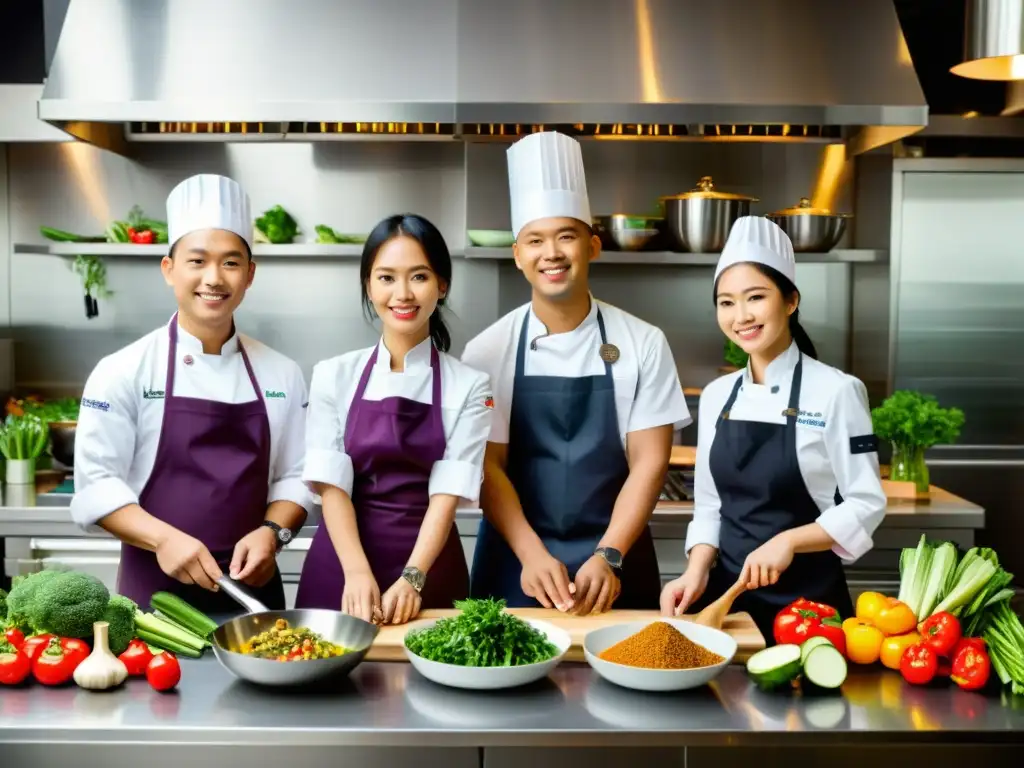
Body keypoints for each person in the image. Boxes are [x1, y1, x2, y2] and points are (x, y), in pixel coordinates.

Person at [462, 131, 691, 615]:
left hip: (615, 560)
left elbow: (649, 462)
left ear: (592, 246)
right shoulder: (488, 349)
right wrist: (531, 554)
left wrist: (608, 553)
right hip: (515, 560)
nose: (552, 253)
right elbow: (489, 467)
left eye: (566, 237)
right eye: (535, 240)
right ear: (518, 255)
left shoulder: (642, 342)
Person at [71, 174, 313, 611]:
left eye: (231, 263)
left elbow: (296, 475)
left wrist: (273, 534)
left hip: (254, 598)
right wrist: (163, 539)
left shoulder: (283, 373)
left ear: (250, 274)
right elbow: (96, 486)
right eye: (197, 261)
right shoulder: (122, 371)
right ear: (169, 269)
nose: (214, 279)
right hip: (153, 601)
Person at [660, 216, 887, 643]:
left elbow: (866, 503)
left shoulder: (837, 392)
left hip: (810, 611)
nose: (740, 316)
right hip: (728, 605)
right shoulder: (716, 396)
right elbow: (710, 505)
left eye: (755, 297)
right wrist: (694, 570)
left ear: (790, 301)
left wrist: (789, 541)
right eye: (726, 302)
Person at [295, 214, 492, 625]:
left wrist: (414, 575)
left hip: (430, 569)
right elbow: (331, 485)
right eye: (386, 278)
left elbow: (447, 494)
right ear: (368, 285)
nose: (402, 293)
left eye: (418, 276)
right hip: (342, 569)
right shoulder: (334, 374)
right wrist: (356, 571)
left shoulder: (470, 385)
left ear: (442, 284)